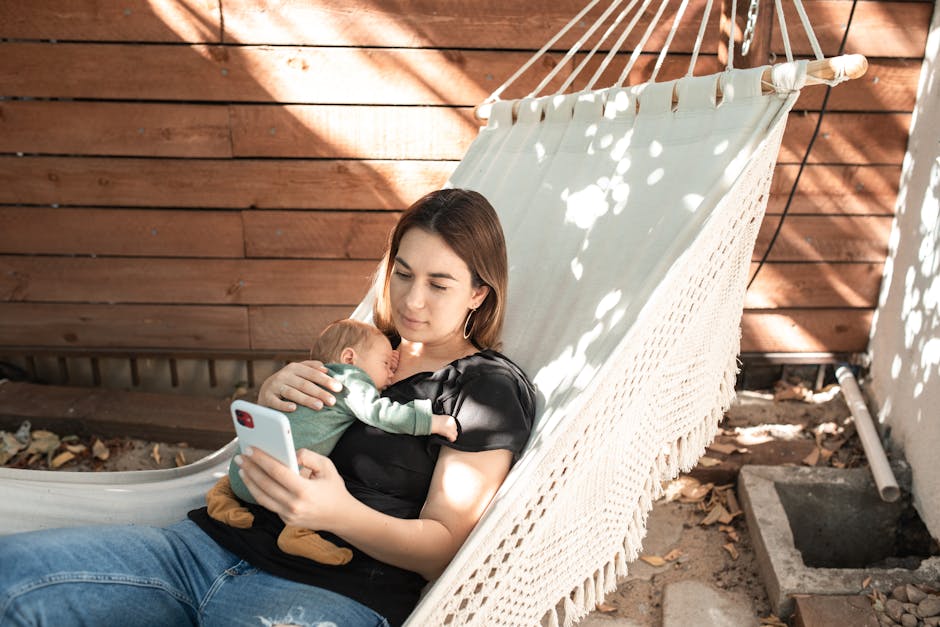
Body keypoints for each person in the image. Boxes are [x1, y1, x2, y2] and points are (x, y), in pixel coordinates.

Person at [0, 188, 536, 627]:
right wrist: (274, 399)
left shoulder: (484, 389)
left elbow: (444, 547)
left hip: (328, 594)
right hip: (201, 548)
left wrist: (337, 515)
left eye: (439, 284)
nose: (412, 299)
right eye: (402, 273)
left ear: (478, 295)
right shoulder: (363, 349)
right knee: (11, 578)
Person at [206, 317, 459, 566]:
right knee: (307, 471)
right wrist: (430, 421)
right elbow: (380, 413)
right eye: (386, 364)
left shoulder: (313, 377)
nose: (391, 375)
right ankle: (297, 533)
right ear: (349, 359)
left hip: (244, 471)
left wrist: (383, 362)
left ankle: (220, 499)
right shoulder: (350, 379)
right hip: (274, 484)